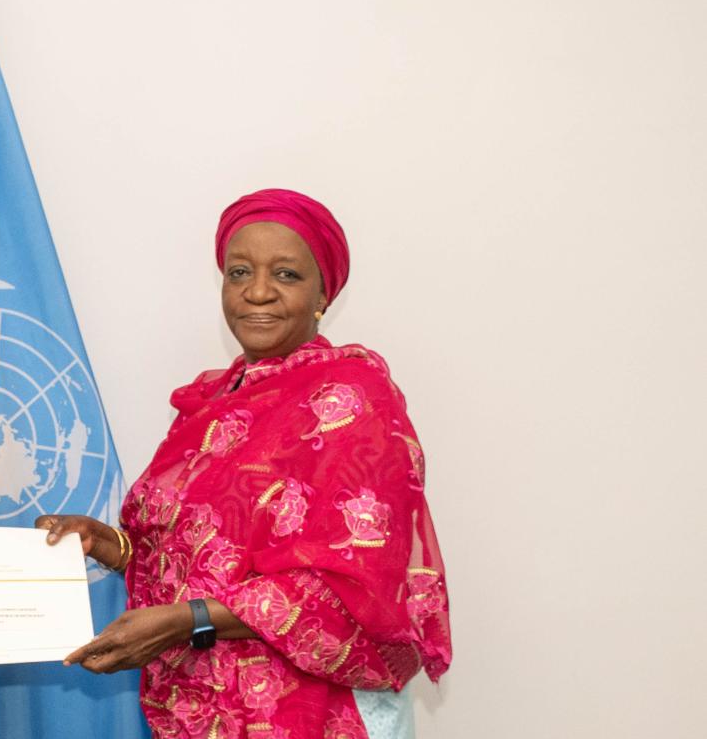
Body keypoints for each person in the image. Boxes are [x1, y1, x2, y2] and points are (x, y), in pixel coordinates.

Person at [38, 189, 451, 739]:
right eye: (239, 273)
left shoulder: (354, 399)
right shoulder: (211, 404)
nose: (257, 292)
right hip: (203, 709)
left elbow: (353, 586)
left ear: (324, 292)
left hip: (315, 711)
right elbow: (193, 557)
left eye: (285, 275)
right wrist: (108, 545)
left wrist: (189, 621)